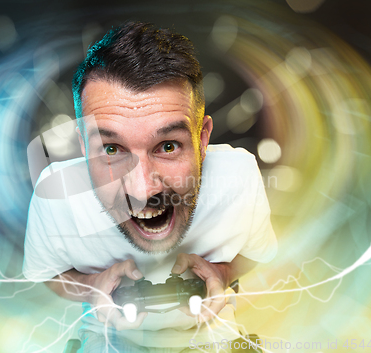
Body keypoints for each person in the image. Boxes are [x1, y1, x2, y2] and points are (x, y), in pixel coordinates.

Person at [23, 21, 277, 352]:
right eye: (112, 149)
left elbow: (259, 252)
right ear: (84, 147)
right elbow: (48, 273)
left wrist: (223, 273)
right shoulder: (55, 193)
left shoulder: (239, 175)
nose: (143, 190)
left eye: (168, 146)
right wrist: (92, 287)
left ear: (202, 140)